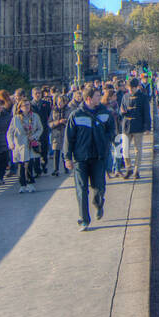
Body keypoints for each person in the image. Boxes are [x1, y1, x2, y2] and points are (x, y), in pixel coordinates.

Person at [65, 86, 117, 230]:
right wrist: (67, 157)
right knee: (81, 189)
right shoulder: (76, 115)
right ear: (88, 98)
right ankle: (84, 219)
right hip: (81, 158)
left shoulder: (105, 113)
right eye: (97, 96)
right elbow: (69, 138)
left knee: (99, 187)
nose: (99, 98)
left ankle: (98, 203)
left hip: (99, 156)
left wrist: (107, 140)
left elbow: (111, 130)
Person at [8, 99, 43, 192]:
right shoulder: (16, 119)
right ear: (20, 108)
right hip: (20, 144)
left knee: (30, 164)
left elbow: (40, 129)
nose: (27, 107)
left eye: (28, 105)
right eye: (24, 106)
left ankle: (30, 183)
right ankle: (22, 184)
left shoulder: (35, 116)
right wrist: (11, 143)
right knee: (21, 165)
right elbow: (10, 132)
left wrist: (35, 136)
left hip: (31, 144)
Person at [120, 75, 149, 179]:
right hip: (126, 126)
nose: (130, 90)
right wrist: (122, 112)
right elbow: (121, 109)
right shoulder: (125, 97)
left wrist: (147, 127)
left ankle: (136, 170)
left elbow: (146, 113)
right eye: (129, 88)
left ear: (137, 87)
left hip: (138, 126)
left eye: (132, 88)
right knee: (125, 149)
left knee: (138, 150)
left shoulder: (143, 97)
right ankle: (129, 168)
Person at [49, 90, 72, 175]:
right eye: (58, 102)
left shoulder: (68, 110)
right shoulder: (53, 111)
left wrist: (64, 121)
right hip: (56, 133)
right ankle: (56, 169)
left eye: (61, 102)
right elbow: (50, 122)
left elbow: (70, 121)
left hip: (65, 132)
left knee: (64, 152)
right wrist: (57, 122)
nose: (59, 104)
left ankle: (66, 168)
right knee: (56, 152)